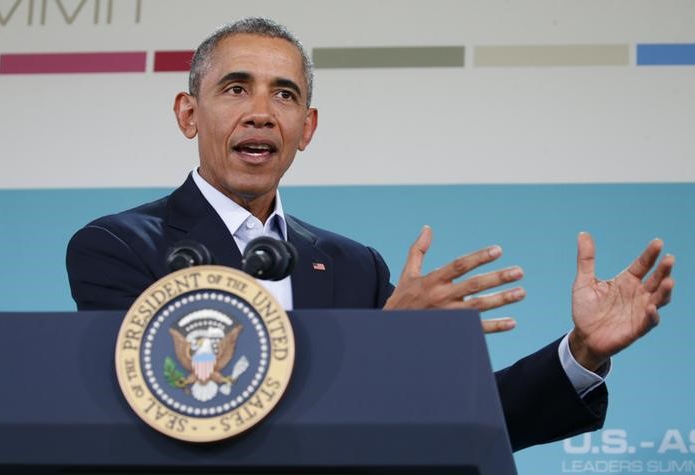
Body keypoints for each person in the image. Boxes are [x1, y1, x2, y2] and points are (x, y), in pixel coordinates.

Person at [66, 17, 675, 452]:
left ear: (305, 128)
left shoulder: (354, 266)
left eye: (284, 95)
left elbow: (448, 421)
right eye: (235, 88)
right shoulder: (119, 247)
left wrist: (583, 353)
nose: (260, 111)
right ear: (188, 113)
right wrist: (380, 341)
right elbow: (187, 410)